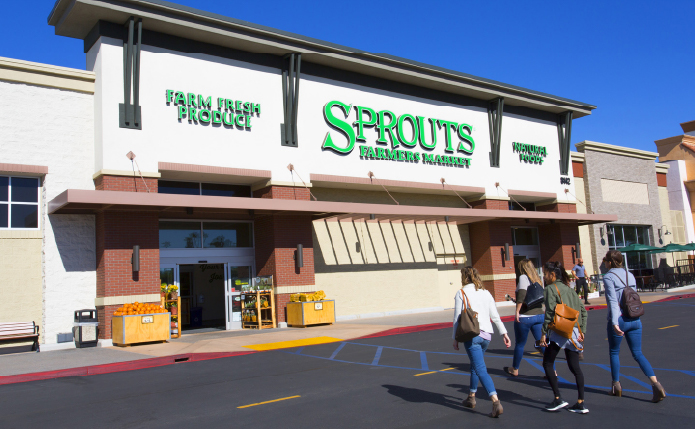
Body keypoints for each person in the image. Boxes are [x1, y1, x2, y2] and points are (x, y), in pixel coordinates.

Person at [602, 250, 666, 402]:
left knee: (614, 352)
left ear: (610, 262)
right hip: (635, 318)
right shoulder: (629, 275)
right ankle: (656, 384)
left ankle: (616, 386)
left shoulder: (609, 277)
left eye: (605, 260)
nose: (604, 263)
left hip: (620, 319)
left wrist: (615, 322)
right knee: (638, 353)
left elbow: (612, 301)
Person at [453, 267, 511, 418]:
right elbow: (495, 315)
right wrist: (504, 333)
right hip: (487, 335)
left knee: (480, 369)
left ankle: (495, 401)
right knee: (475, 365)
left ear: (464, 278)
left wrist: (455, 338)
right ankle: (471, 397)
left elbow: (457, 319)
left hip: (472, 335)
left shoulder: (462, 293)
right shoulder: (486, 292)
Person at [540, 261, 588, 414]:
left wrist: (543, 333)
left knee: (547, 363)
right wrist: (582, 331)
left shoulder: (549, 289)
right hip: (574, 330)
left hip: (560, 330)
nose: (544, 276)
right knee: (575, 367)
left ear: (552, 275)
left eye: (546, 273)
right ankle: (580, 402)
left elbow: (549, 313)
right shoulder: (570, 290)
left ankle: (557, 398)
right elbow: (583, 311)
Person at [504, 259, 545, 377]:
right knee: (541, 342)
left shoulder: (523, 277)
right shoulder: (537, 278)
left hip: (526, 316)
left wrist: (517, 311)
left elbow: (522, 295)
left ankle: (515, 369)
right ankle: (552, 369)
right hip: (539, 314)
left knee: (520, 344)